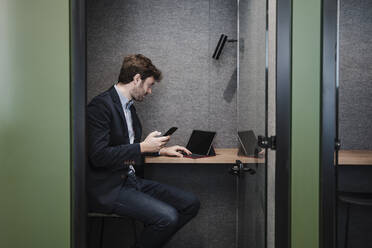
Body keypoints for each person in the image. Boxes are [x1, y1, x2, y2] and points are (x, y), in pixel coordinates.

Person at [87, 54, 201, 248]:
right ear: (137, 79)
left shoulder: (129, 108)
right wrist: (142, 146)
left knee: (191, 203)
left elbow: (125, 146)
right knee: (168, 217)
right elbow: (98, 156)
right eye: (149, 85)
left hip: (130, 181)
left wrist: (159, 151)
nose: (149, 92)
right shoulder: (100, 106)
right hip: (108, 188)